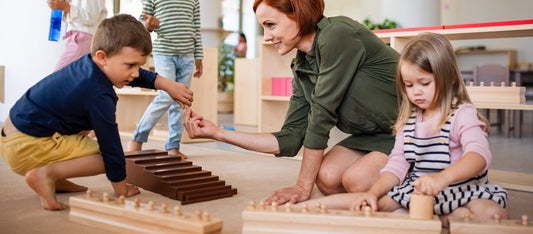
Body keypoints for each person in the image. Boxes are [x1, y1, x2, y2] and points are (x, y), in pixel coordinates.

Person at [184, 0, 399, 205]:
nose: (267, 36)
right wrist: (217, 132)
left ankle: (424, 171)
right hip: (372, 136)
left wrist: (302, 186)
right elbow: (290, 138)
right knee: (326, 178)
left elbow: (321, 117)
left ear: (299, 14)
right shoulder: (301, 66)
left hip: (409, 130)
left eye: (271, 25)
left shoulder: (337, 34)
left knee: (357, 180)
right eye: (263, 27)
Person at [298, 33, 508, 226]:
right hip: (419, 192)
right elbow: (397, 164)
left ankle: (436, 217)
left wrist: (442, 179)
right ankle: (306, 208)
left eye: (424, 83)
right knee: (372, 204)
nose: (416, 92)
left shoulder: (462, 113)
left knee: (492, 215)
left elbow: (478, 156)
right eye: (408, 85)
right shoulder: (408, 120)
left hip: (464, 190)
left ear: (450, 78)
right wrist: (373, 192)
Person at [0, 14, 194, 211]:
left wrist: (167, 85)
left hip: (15, 137)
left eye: (139, 65)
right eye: (130, 65)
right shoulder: (99, 94)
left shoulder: (90, 66)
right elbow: (111, 146)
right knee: (107, 156)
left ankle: (55, 179)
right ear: (102, 57)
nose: (136, 73)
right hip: (26, 147)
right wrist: (121, 189)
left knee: (88, 126)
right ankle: (46, 173)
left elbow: (133, 75)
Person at [127, 0, 204, 159]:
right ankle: (138, 137)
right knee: (167, 96)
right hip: (165, 53)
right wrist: (148, 25)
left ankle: (173, 146)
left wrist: (198, 57)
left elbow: (196, 27)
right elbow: (141, 25)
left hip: (188, 55)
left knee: (180, 101)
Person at [47, 0, 108, 71]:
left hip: (85, 37)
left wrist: (65, 7)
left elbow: (91, 17)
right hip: (81, 37)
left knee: (58, 77)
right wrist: (61, 6)